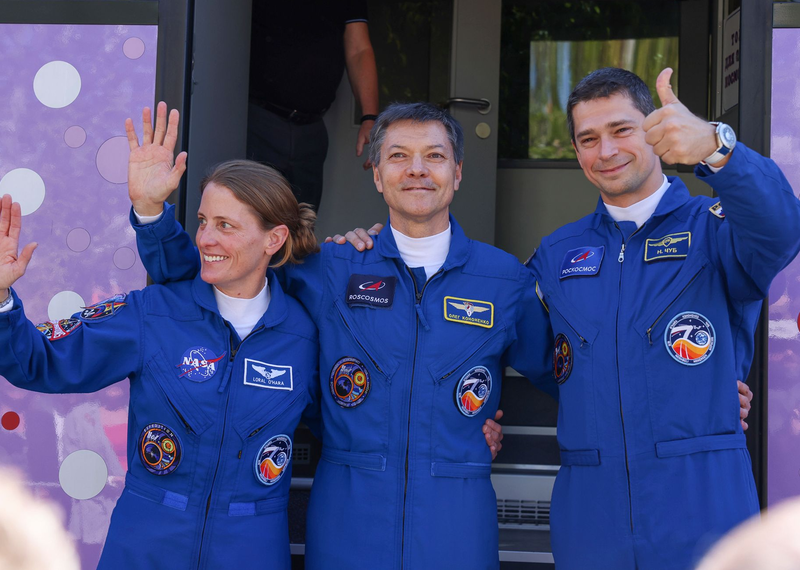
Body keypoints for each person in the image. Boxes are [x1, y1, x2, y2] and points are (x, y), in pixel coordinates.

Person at [331, 68, 782, 570]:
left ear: (655, 131)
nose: (606, 151)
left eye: (621, 130)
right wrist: (456, 417)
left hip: (702, 493)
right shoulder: (558, 254)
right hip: (591, 507)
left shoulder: (715, 229)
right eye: (588, 138)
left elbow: (781, 229)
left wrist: (716, 148)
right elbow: (540, 355)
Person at [129, 102, 553, 569]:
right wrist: (152, 216)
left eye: (434, 156)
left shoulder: (505, 280)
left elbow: (562, 374)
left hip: (457, 516)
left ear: (457, 173)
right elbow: (209, 278)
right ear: (376, 174)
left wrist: (480, 419)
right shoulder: (330, 269)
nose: (416, 170)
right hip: (349, 515)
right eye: (397, 156)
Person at [0, 107, 322, 569]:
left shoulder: (305, 336)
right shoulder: (152, 314)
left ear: (273, 240)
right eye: (204, 220)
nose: (206, 238)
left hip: (252, 548)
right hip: (146, 544)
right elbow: (36, 361)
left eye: (226, 226)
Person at [248, 0, 379, 210]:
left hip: (312, 130)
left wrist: (369, 117)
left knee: (301, 232)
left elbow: (359, 49)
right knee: (253, 223)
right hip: (258, 121)